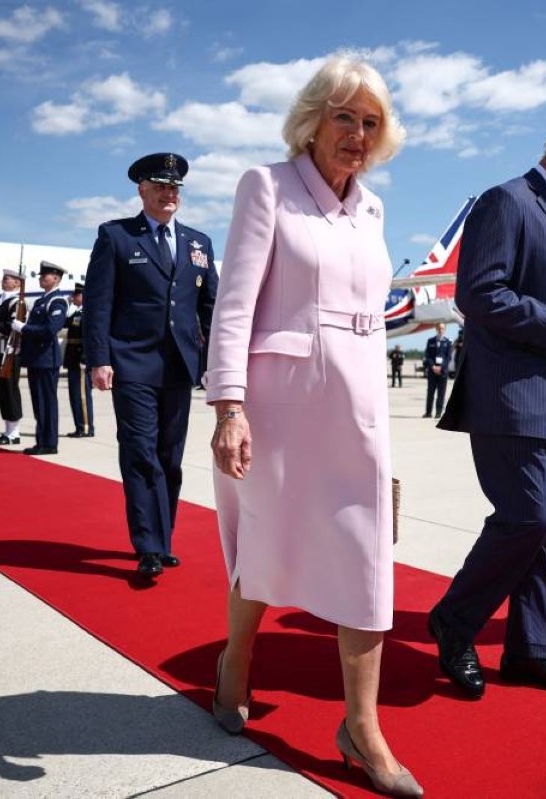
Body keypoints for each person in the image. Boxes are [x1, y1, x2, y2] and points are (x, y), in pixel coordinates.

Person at [203, 57, 420, 797]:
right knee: (267, 540)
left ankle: (362, 726)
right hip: (280, 404)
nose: (357, 133)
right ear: (313, 120)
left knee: (366, 552)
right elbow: (235, 304)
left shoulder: (373, 209)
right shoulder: (267, 186)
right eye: (344, 117)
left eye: (370, 122)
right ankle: (236, 660)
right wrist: (229, 407)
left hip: (356, 406)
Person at [433, 107, 546, 700]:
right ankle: (454, 621)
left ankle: (532, 650)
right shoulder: (508, 202)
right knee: (528, 517)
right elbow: (478, 292)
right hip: (511, 398)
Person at [84, 152, 218, 580]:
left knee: (170, 458)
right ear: (142, 190)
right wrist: (99, 358)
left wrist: (217, 361)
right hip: (132, 363)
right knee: (141, 453)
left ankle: (164, 538)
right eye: (160, 186)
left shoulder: (198, 243)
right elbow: (98, 303)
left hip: (180, 366)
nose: (168, 193)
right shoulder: (117, 236)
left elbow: (210, 307)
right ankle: (148, 546)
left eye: (174, 187)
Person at [15, 263, 68, 455]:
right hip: (36, 358)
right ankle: (41, 441)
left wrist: (24, 328)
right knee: (38, 403)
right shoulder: (40, 301)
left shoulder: (57, 301)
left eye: (45, 276)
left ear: (56, 278)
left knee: (47, 402)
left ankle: (49, 443)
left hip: (46, 359)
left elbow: (50, 330)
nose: (41, 278)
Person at [0, 268, 26, 445]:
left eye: (8, 279)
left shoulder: (17, 303)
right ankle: (8, 430)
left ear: (17, 283)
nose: (4, 281)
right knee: (2, 390)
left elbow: (10, 327)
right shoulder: (2, 302)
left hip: (11, 352)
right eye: (4, 278)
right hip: (0, 350)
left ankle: (14, 432)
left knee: (10, 390)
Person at [64, 283, 94, 437]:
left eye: (76, 295)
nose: (73, 297)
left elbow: (89, 337)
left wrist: (85, 357)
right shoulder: (76, 312)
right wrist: (69, 305)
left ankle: (87, 427)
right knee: (74, 395)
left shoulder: (88, 313)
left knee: (82, 395)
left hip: (81, 358)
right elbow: (65, 323)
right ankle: (79, 426)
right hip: (72, 358)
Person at [421, 322, 451, 418]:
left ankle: (438, 412)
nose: (440, 330)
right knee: (430, 392)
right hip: (432, 371)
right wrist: (433, 366)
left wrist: (441, 367)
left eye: (442, 328)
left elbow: (448, 357)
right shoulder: (430, 341)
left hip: (442, 372)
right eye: (439, 328)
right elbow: (428, 355)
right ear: (436, 329)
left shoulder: (448, 342)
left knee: (441, 393)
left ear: (444, 330)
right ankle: (428, 412)